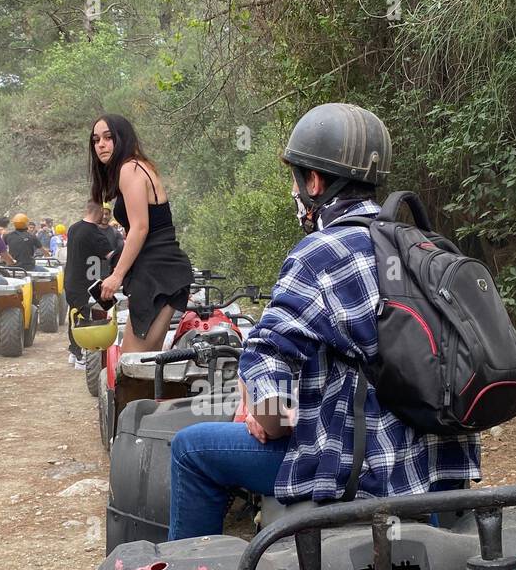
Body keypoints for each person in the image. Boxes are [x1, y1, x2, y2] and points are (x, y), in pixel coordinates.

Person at [165, 103, 482, 540]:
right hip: (437, 470)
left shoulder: (321, 253)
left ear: (313, 181)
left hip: (358, 474)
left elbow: (271, 399)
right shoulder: (425, 248)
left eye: (296, 179)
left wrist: (265, 414)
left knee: (190, 449)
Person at [90, 114, 193, 355]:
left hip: (157, 272)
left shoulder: (130, 169)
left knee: (134, 366)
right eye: (96, 140)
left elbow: (140, 228)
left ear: (122, 138)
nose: (101, 145)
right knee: (144, 365)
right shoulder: (138, 167)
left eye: (108, 137)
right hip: (162, 269)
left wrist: (116, 276)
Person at [63, 200, 113, 369]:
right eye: (103, 213)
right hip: (87, 284)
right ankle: (81, 356)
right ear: (99, 211)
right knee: (89, 317)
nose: (104, 216)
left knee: (75, 315)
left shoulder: (74, 228)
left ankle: (74, 350)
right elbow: (112, 256)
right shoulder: (95, 234)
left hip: (71, 281)